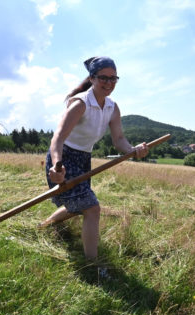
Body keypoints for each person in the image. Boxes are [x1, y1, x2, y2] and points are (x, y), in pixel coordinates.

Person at [43, 56, 149, 262]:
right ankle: (91, 265)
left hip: (83, 159)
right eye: (103, 78)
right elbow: (58, 138)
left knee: (81, 205)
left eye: (113, 79)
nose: (109, 83)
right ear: (92, 78)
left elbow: (119, 140)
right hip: (64, 158)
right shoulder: (80, 104)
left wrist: (133, 150)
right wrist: (57, 165)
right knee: (92, 208)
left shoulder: (112, 107)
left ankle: (44, 226)